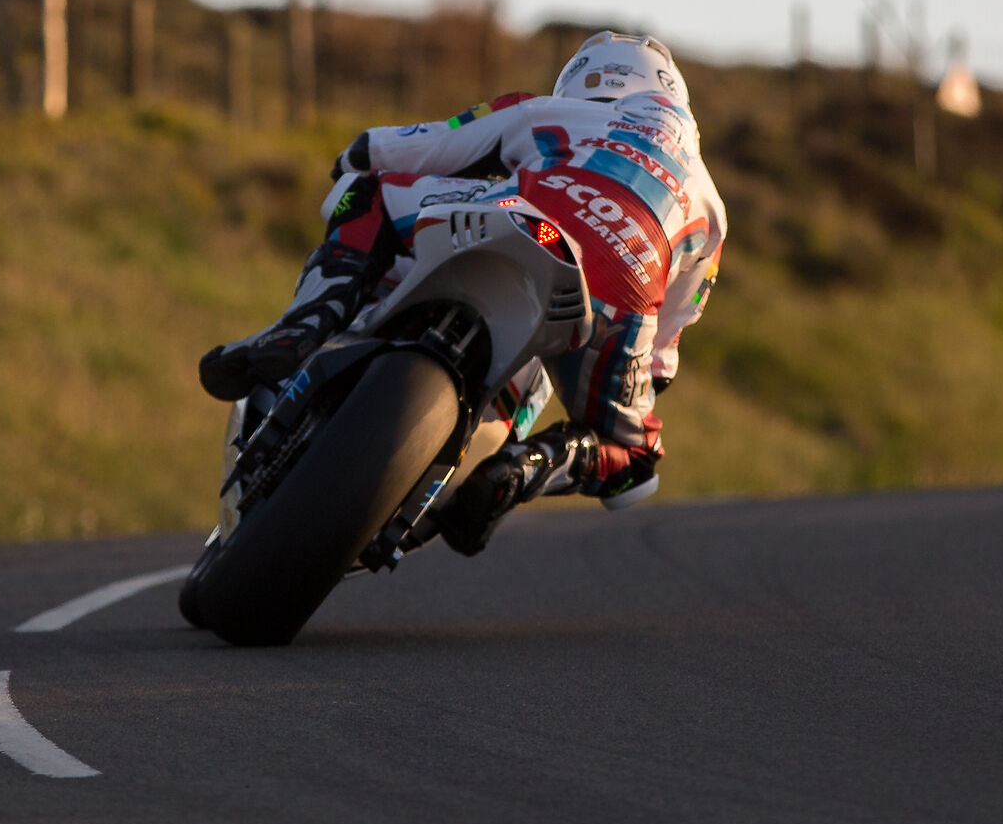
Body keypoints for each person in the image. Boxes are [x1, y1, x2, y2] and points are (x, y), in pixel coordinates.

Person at [199, 31, 726, 549]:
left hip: (529, 221)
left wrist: (358, 155)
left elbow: (422, 144)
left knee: (369, 191)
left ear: (579, 81)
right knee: (636, 464)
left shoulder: (544, 110)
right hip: (621, 297)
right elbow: (664, 353)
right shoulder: (712, 207)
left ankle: (307, 324)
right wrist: (639, 381)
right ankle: (521, 470)